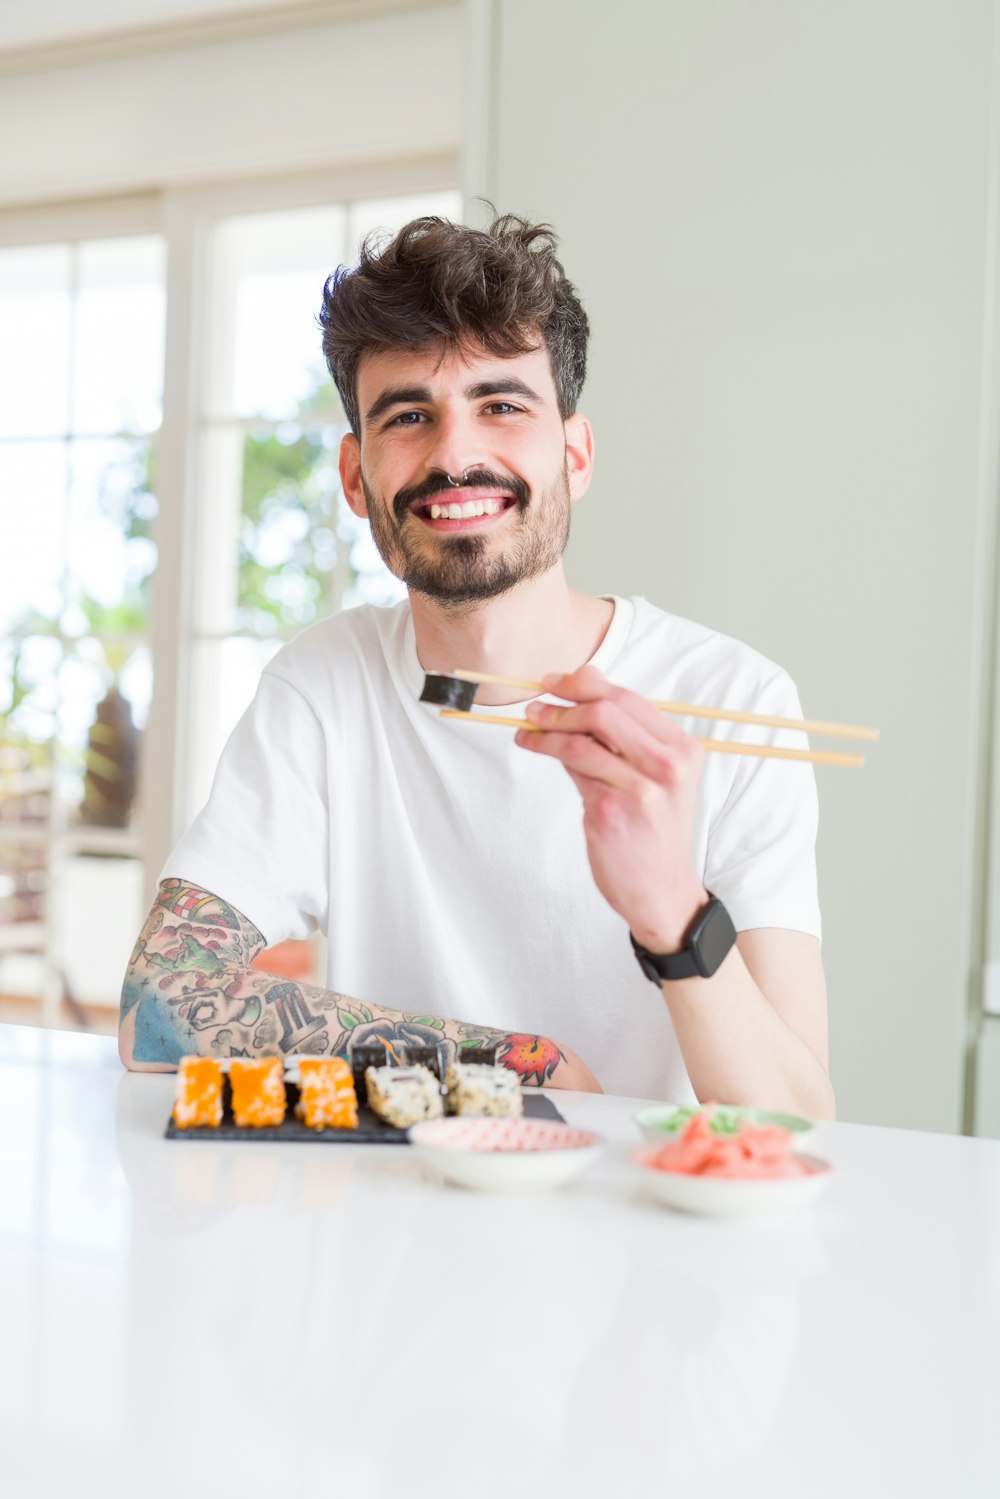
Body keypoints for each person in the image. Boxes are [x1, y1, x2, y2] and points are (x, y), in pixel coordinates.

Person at [119, 213, 834, 1116]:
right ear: (355, 477)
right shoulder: (324, 685)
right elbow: (160, 1003)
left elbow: (800, 1122)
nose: (455, 454)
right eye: (409, 416)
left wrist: (674, 913)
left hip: (647, 1233)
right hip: (395, 1222)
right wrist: (512, 1061)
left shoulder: (733, 699)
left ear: (573, 455)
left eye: (502, 405)